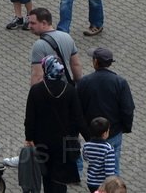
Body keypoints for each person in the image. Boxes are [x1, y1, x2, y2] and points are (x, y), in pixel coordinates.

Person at [24, 56, 84, 193]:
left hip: (42, 142)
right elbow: (78, 117)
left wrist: (29, 138)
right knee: (60, 177)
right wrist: (91, 138)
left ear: (46, 69)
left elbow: (30, 118)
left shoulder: (36, 90)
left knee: (46, 175)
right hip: (63, 143)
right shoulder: (69, 90)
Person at [75, 48, 134, 176]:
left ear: (96, 62)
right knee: (113, 165)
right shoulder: (120, 82)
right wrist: (125, 127)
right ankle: (112, 187)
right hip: (114, 131)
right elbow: (128, 109)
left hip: (92, 132)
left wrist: (83, 129)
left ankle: (95, 184)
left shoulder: (84, 82)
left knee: (95, 164)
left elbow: (77, 108)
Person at [27, 7, 83, 84]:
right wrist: (77, 83)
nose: (29, 26)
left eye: (33, 23)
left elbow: (37, 75)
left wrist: (34, 94)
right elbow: (76, 64)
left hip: (49, 90)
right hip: (66, 87)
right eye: (29, 22)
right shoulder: (67, 36)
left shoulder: (39, 45)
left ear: (44, 23)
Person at [82, 117, 116, 192]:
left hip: (90, 182)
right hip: (102, 185)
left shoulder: (86, 145)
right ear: (104, 134)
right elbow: (109, 172)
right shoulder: (108, 149)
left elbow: (85, 158)